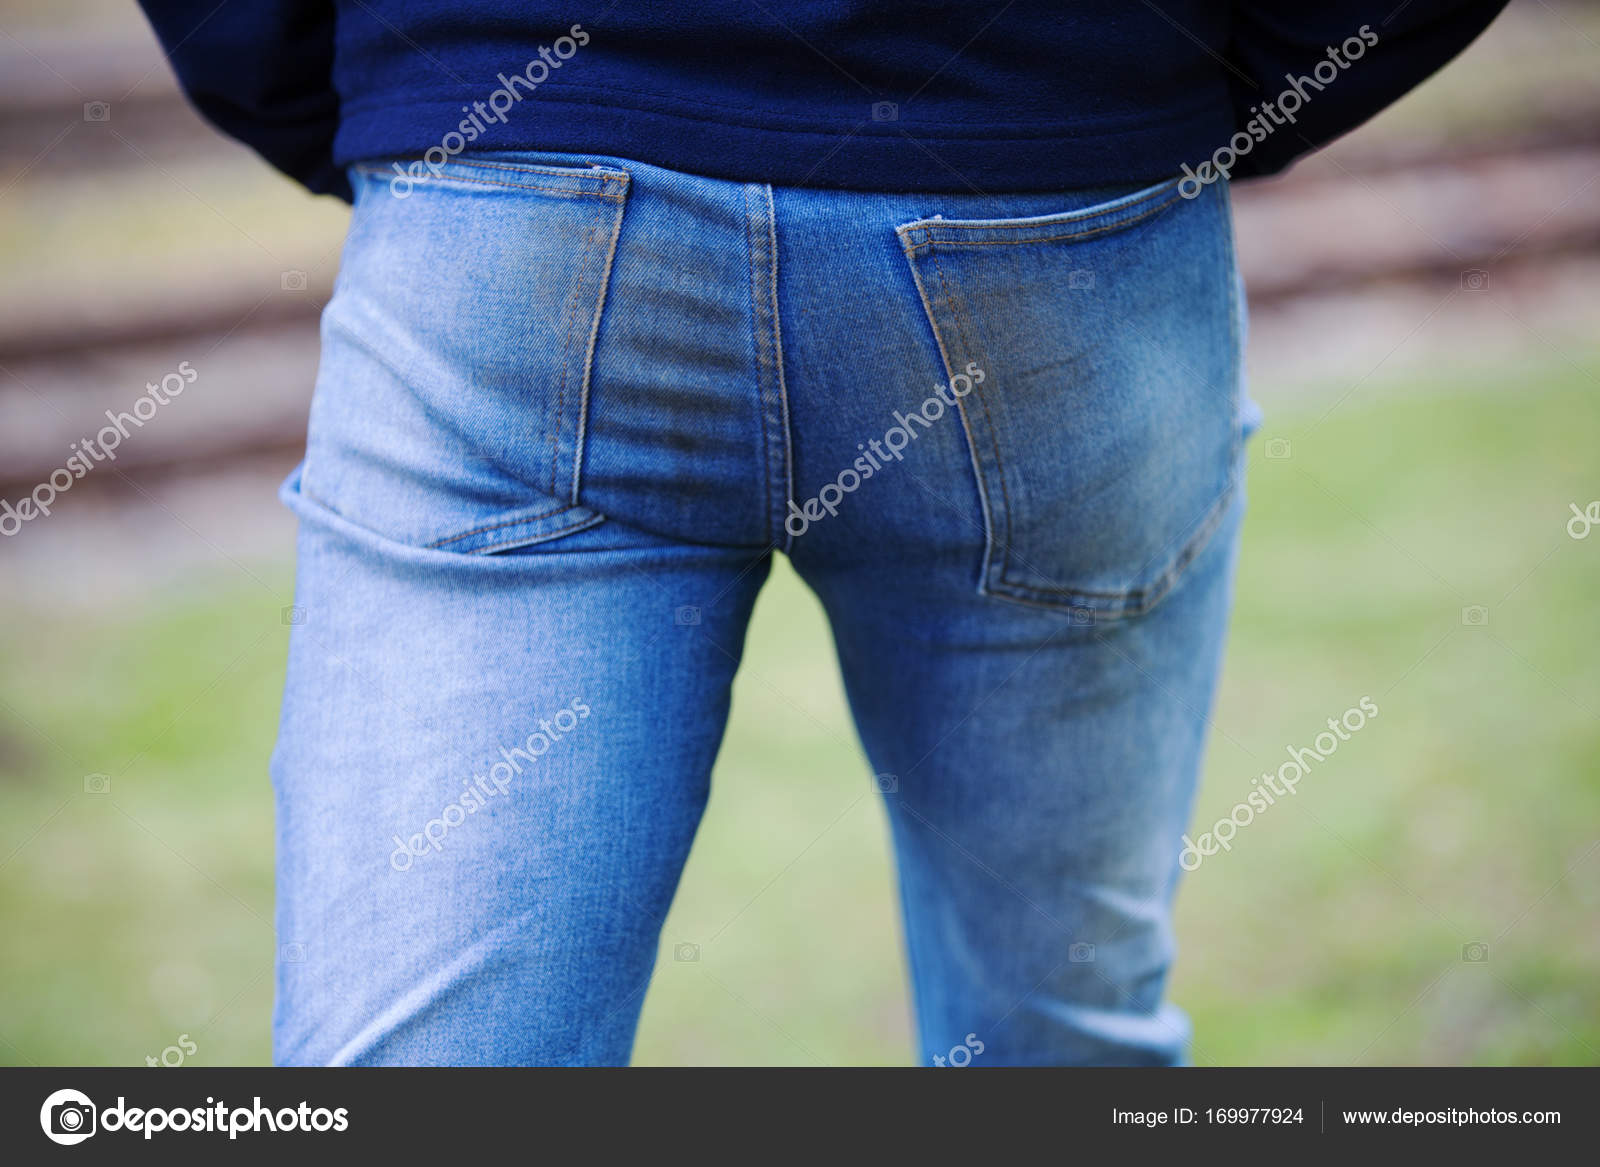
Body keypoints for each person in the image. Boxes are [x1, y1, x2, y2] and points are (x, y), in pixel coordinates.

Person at [137, 1, 1508, 1065]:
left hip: (514, 204)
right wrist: (1147, 86)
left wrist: (402, 79)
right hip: (1051, 210)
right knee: (1057, 1042)